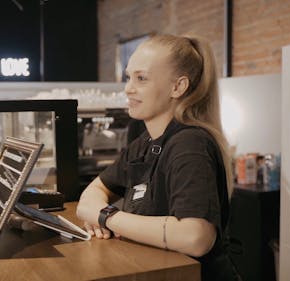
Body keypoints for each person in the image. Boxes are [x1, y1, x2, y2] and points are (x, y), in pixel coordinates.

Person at [76, 34, 241, 281]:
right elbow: (96, 190)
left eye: (141, 79)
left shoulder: (190, 144)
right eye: (128, 77)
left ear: (178, 87)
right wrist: (96, 210)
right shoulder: (145, 141)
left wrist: (106, 217)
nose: (128, 88)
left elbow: (195, 237)